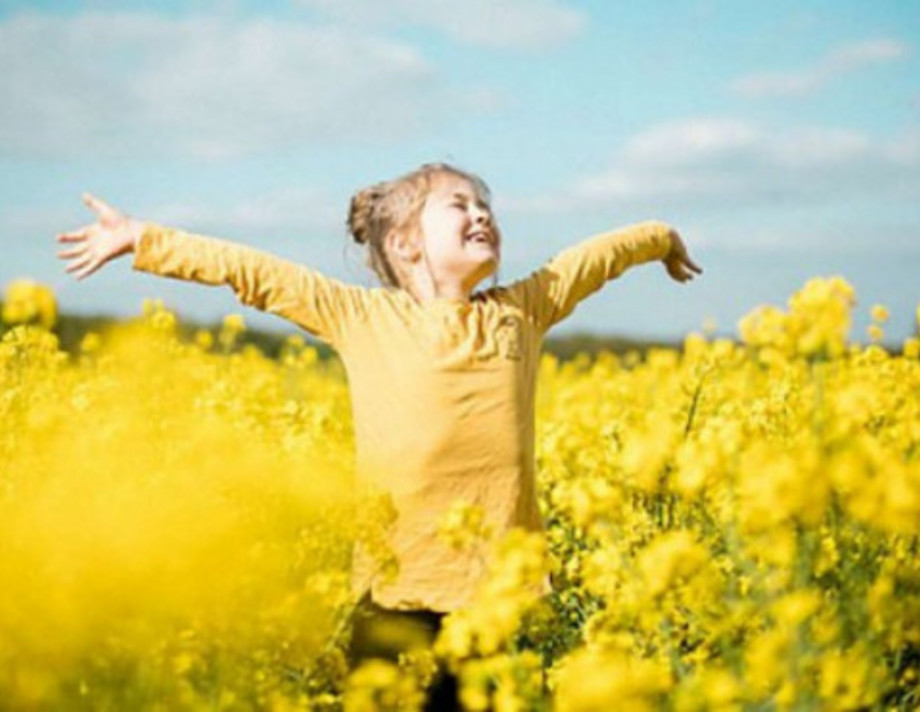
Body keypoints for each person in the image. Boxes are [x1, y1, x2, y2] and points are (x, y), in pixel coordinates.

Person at [55, 162, 703, 709]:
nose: (481, 215)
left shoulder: (522, 310)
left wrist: (661, 236)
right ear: (404, 244)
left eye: (486, 206)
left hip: (499, 595)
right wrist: (143, 239)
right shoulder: (360, 316)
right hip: (394, 596)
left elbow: (593, 259)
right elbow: (253, 272)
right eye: (459, 206)